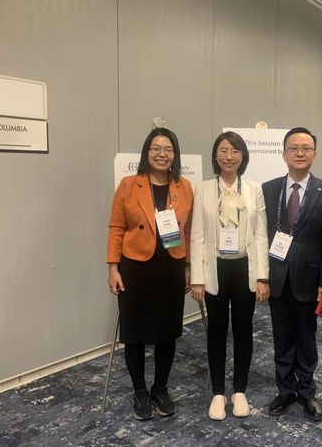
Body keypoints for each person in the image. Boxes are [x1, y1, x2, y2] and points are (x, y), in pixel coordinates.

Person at [106, 127, 193, 421]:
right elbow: (116, 227)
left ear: (175, 155)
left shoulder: (184, 187)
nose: (161, 154)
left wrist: (187, 267)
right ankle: (140, 391)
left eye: (168, 149)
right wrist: (113, 268)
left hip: (171, 268)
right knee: (135, 334)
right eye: (156, 148)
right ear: (147, 152)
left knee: (167, 333)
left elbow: (187, 230)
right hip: (135, 268)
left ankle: (160, 388)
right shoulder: (129, 185)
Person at [190, 131, 270, 421]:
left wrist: (263, 277)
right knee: (216, 330)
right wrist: (197, 278)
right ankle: (218, 392)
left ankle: (239, 391)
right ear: (216, 155)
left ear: (243, 156)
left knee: (243, 330)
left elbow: (260, 234)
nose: (229, 156)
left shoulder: (253, 188)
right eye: (223, 150)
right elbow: (197, 234)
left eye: (235, 151)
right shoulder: (203, 188)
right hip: (215, 268)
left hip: (244, 267)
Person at [262, 127, 322, 422]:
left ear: (315, 154)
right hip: (278, 278)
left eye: (306, 148)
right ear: (284, 154)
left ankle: (306, 391)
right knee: (281, 339)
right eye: (294, 148)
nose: (300, 153)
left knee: (307, 339)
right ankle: (285, 391)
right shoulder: (268, 189)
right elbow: (260, 235)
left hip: (310, 279)